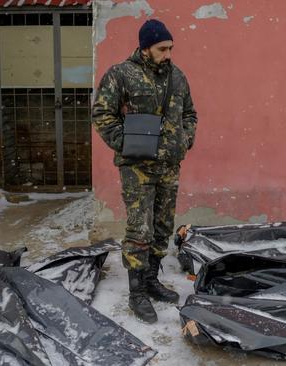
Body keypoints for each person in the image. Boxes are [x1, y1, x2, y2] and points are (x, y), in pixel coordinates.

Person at [92, 19, 197, 323]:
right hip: (136, 167)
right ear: (145, 47)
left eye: (170, 48)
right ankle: (136, 292)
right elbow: (102, 113)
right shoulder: (122, 74)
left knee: (163, 226)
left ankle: (151, 280)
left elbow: (190, 113)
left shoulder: (177, 77)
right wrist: (124, 143)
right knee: (140, 229)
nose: (168, 54)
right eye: (162, 49)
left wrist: (186, 138)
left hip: (168, 165)